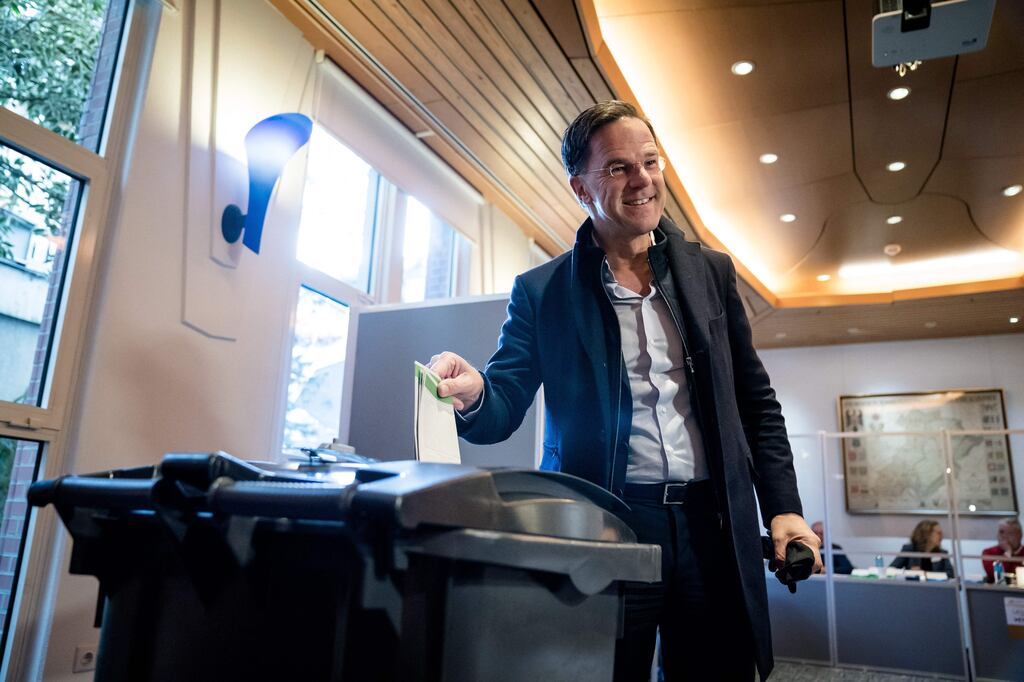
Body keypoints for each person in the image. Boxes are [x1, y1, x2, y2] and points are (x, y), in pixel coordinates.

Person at [428, 101, 821, 682]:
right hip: (606, 522)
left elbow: (755, 403)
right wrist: (474, 392)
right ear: (579, 188)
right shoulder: (543, 291)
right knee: (598, 670)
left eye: (650, 161)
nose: (642, 179)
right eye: (617, 168)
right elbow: (503, 403)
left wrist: (784, 508)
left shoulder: (709, 272)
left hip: (709, 523)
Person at [890, 519, 954, 578]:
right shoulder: (910, 550)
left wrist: (925, 574)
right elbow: (891, 570)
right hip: (914, 588)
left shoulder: (942, 553)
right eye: (938, 533)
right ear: (927, 534)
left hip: (935, 588)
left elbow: (950, 574)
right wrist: (909, 573)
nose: (942, 536)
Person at [982, 517, 1024, 583]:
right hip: (998, 592)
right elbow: (993, 575)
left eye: (1010, 533)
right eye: (1001, 532)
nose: (1004, 536)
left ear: (1020, 535)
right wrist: (1008, 553)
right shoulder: (988, 552)